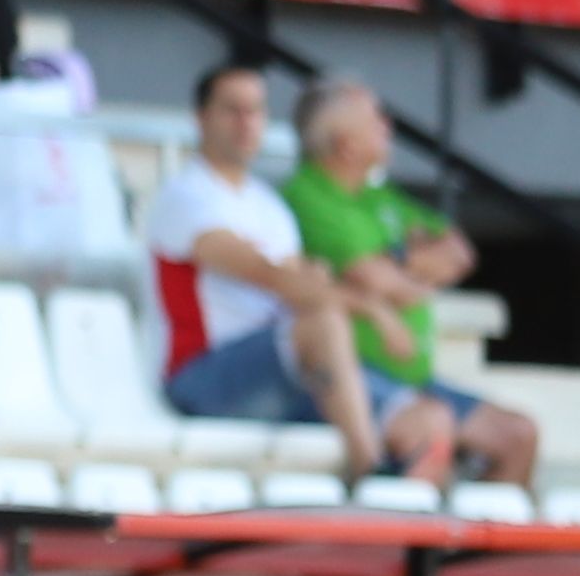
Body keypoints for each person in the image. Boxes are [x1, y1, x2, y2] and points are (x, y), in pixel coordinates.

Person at [139, 60, 413, 485]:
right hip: (198, 379)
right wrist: (372, 309)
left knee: (423, 418)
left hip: (274, 370)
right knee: (322, 324)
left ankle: (412, 534)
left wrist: (312, 284)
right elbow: (272, 276)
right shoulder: (185, 195)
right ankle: (367, 468)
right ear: (201, 118)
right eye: (233, 109)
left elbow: (300, 285)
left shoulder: (268, 207)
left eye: (256, 110)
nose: (247, 123)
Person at [279, 82, 545, 491]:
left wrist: (397, 264)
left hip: (412, 376)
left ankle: (470, 549)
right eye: (375, 120)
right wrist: (413, 270)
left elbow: (459, 252)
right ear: (346, 145)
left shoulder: (380, 197)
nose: (389, 127)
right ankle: (407, 550)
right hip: (346, 374)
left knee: (519, 436)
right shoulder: (305, 194)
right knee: (430, 425)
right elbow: (376, 279)